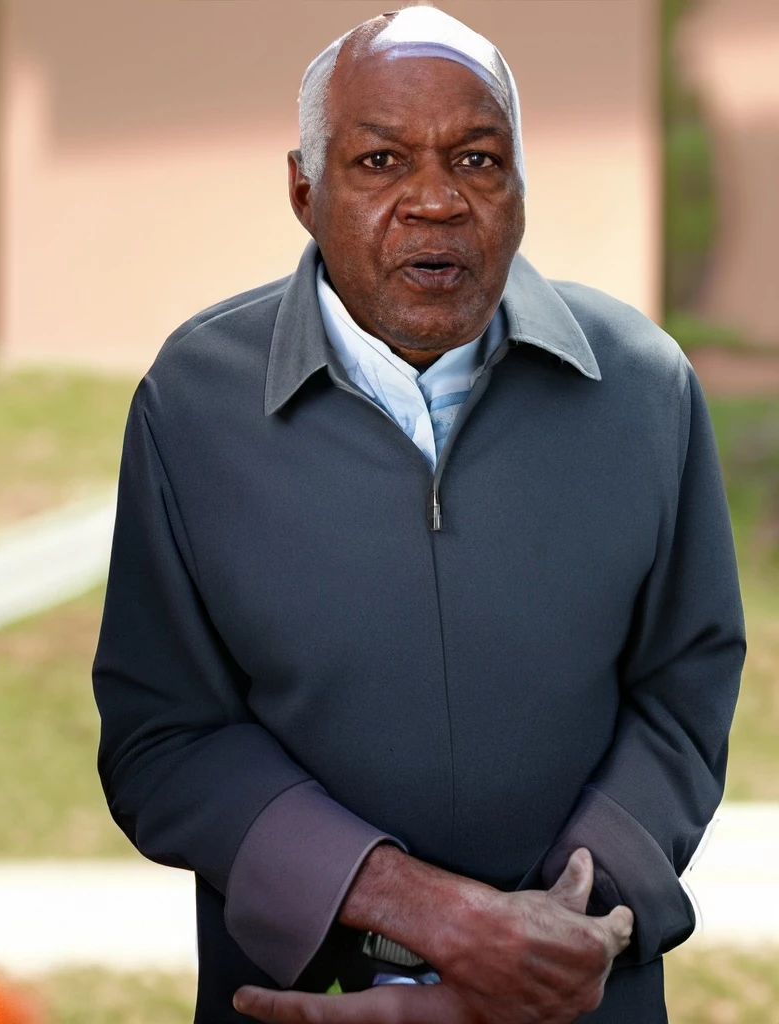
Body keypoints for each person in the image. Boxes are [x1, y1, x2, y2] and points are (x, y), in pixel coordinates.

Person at [91, 5, 745, 1022]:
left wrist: (559, 934)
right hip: (310, 1000)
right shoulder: (194, 399)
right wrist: (429, 917)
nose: (436, 201)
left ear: (520, 188)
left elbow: (682, 691)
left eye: (478, 160)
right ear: (305, 191)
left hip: (577, 998)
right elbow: (164, 736)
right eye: (380, 161)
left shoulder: (641, 385)